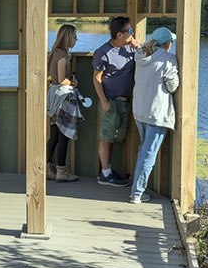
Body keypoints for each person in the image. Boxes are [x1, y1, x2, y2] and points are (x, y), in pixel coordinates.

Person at [129, 26, 179, 203]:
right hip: (156, 113)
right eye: (171, 41)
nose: (172, 44)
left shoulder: (141, 55)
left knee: (144, 150)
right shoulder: (168, 59)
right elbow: (173, 86)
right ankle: (137, 193)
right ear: (167, 43)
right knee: (149, 154)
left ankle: (137, 188)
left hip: (139, 111)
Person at [92, 16, 139, 187]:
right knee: (106, 137)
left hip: (125, 102)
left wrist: (137, 46)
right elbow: (96, 79)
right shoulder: (103, 53)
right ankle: (105, 174)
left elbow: (149, 57)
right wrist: (104, 101)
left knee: (114, 138)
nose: (132, 34)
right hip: (110, 101)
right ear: (120, 34)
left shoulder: (131, 49)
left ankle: (108, 171)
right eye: (130, 31)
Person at [46, 24, 83, 182]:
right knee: (64, 136)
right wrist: (73, 83)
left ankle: (47, 169)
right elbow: (61, 79)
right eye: (74, 37)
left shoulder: (55, 52)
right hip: (62, 98)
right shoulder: (62, 56)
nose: (76, 40)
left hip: (54, 96)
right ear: (67, 37)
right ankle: (61, 171)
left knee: (54, 136)